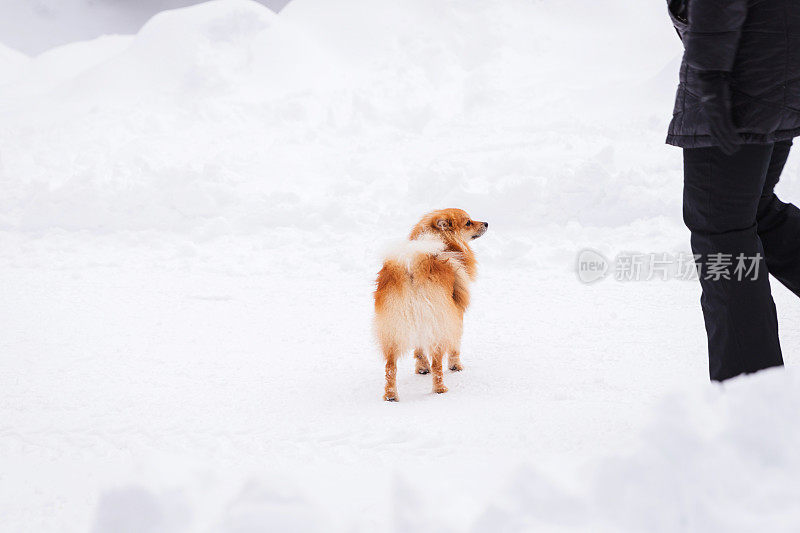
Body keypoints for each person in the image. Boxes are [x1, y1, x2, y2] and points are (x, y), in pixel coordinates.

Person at [666, 0, 800, 381]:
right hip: (780, 55)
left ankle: (751, 395)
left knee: (721, 233)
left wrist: (710, 75)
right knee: (755, 212)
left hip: (741, 67)